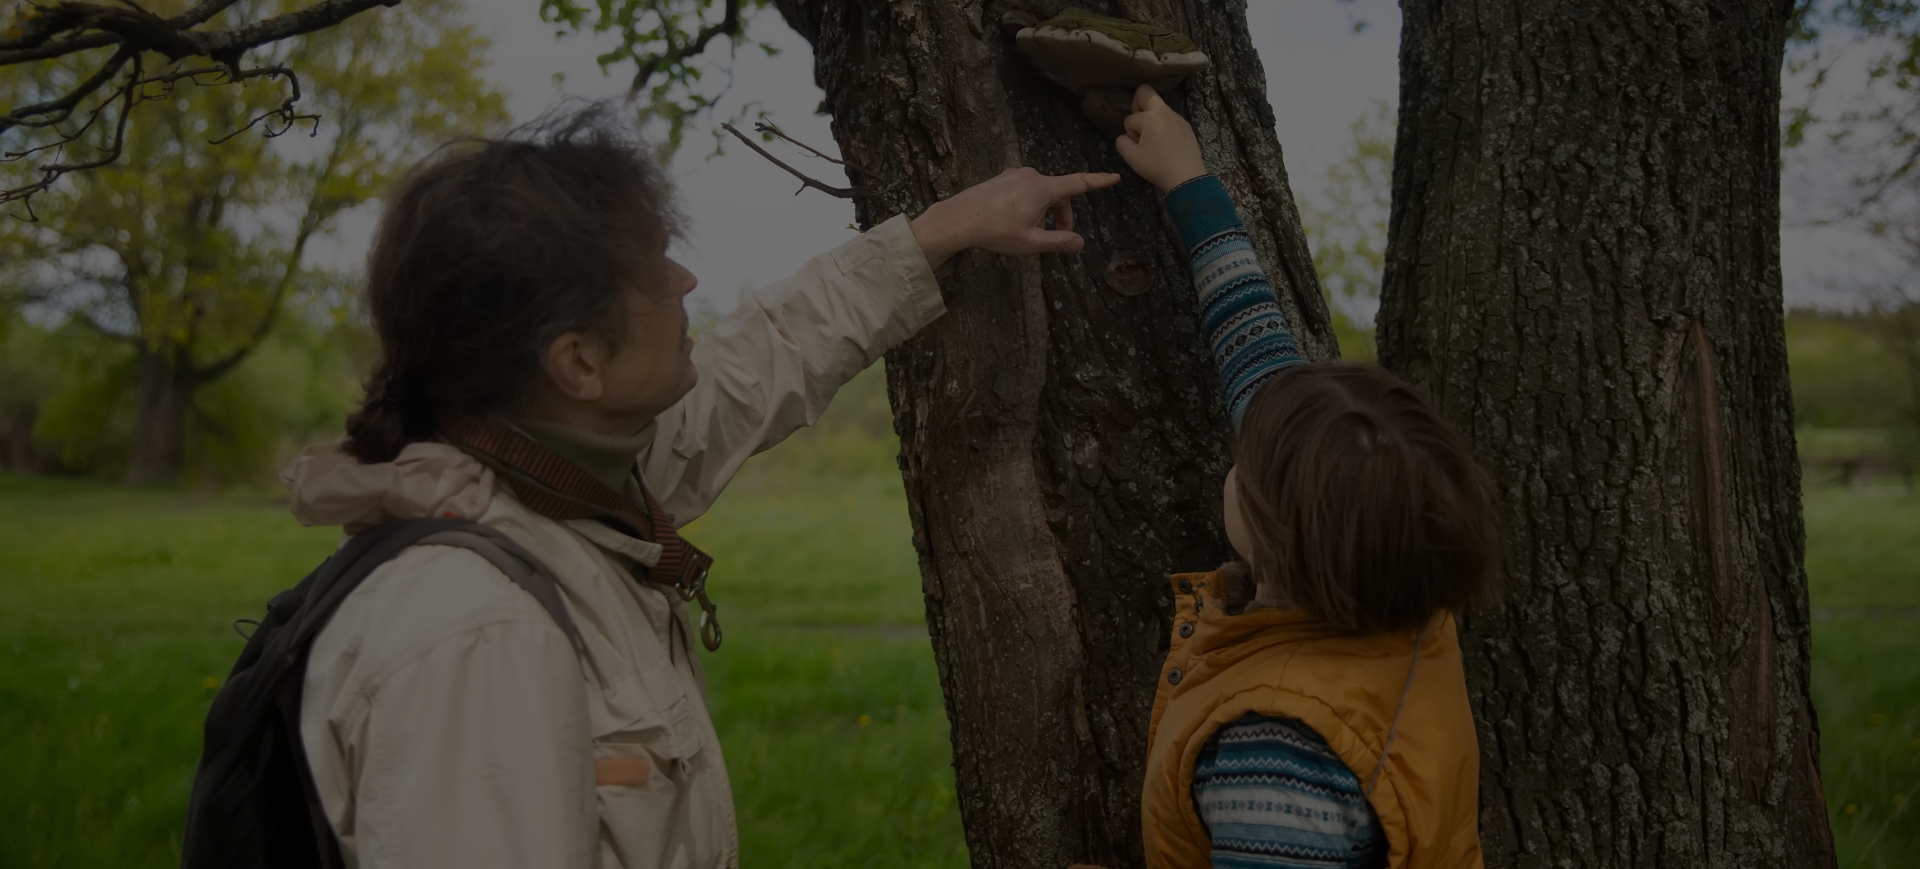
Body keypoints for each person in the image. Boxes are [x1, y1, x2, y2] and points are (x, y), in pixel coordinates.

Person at [280, 102, 1120, 869]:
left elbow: (763, 359)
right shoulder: (473, 635)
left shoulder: (565, 486)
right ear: (577, 362)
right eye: (653, 274)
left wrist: (948, 228)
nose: (686, 282)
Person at [1112, 86, 1503, 869]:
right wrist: (1190, 186)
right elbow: (1261, 365)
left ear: (1279, 532)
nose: (1237, 455)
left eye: (1248, 463)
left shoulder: (1279, 746)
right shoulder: (1403, 613)